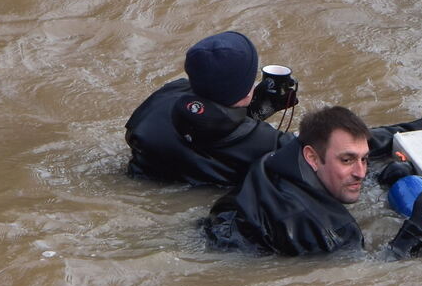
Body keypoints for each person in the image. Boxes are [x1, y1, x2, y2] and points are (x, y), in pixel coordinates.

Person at [126, 31, 422, 190]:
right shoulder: (264, 143)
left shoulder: (164, 97)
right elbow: (338, 152)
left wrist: (255, 109)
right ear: (246, 86)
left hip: (149, 177)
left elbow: (212, 132)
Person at [204, 105, 422, 258]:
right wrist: (418, 229)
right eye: (347, 160)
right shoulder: (334, 231)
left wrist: (382, 177)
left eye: (364, 160)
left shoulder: (273, 160)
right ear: (312, 156)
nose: (360, 172)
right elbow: (368, 279)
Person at [125, 31, 295, 190]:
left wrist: (250, 113)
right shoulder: (269, 141)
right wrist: (253, 118)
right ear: (246, 89)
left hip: (140, 181)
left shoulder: (166, 94)